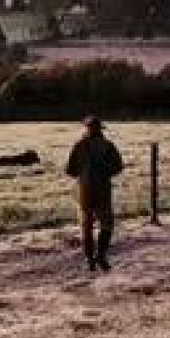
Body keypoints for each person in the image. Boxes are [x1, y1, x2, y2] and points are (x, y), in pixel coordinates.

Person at [65, 116, 124, 271]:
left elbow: (69, 170)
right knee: (107, 224)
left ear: (87, 128)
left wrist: (83, 174)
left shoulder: (79, 145)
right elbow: (118, 167)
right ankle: (101, 256)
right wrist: (105, 173)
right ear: (100, 129)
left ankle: (89, 260)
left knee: (86, 226)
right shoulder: (108, 145)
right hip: (103, 190)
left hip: (84, 191)